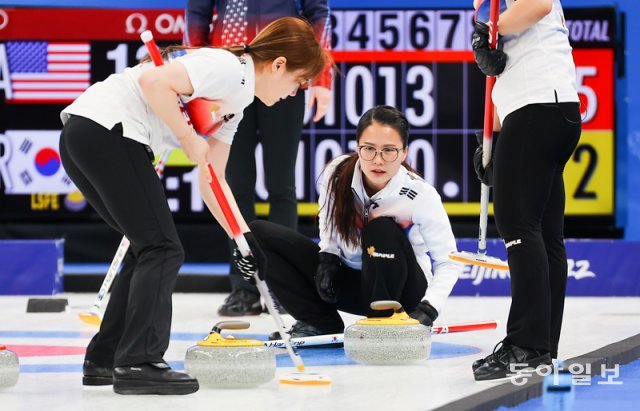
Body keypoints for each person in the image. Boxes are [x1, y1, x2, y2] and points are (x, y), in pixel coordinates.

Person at [58, 17, 327, 395]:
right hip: (107, 130)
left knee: (146, 246)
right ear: (279, 64)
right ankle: (139, 361)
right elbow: (154, 82)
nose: (295, 92)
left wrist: (243, 237)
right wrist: (186, 137)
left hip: (87, 133)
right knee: (162, 247)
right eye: (299, 82)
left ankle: (106, 357)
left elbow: (212, 179)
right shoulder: (228, 69)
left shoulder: (238, 101)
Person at [232, 105, 461, 339]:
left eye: (389, 151)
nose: (378, 160)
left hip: (402, 292)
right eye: (369, 149)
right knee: (259, 234)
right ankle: (319, 322)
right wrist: (328, 257)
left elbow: (449, 262)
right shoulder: (338, 172)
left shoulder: (420, 193)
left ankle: (385, 321)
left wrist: (427, 310)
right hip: (354, 282)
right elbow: (327, 220)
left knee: (380, 228)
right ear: (357, 148)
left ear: (404, 153)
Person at [184, 0, 333, 316]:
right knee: (233, 185)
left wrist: (320, 77)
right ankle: (244, 287)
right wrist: (197, 68)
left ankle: (283, 286)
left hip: (283, 69)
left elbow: (319, 13)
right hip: (228, 70)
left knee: (282, 186)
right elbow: (197, 12)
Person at [470, 0, 582, 382]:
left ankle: (526, 345)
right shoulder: (488, 5)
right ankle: (542, 345)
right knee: (545, 233)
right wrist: (495, 142)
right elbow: (501, 73)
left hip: (538, 107)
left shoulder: (500, 11)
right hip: (546, 108)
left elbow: (538, 4)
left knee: (518, 225)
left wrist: (489, 32)